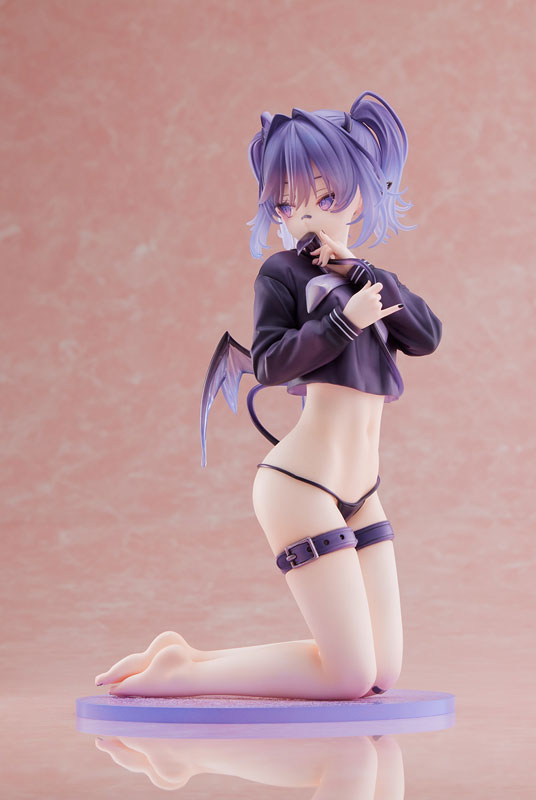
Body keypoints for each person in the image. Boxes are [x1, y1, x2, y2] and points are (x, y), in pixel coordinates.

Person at [94, 90, 442, 700]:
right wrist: (343, 323)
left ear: (360, 192)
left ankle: (186, 657)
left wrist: (358, 273)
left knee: (381, 674)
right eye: (286, 203)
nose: (305, 216)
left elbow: (426, 336)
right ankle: (183, 675)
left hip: (363, 493)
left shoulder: (370, 278)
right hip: (300, 485)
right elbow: (270, 363)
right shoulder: (280, 274)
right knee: (348, 676)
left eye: (324, 197)